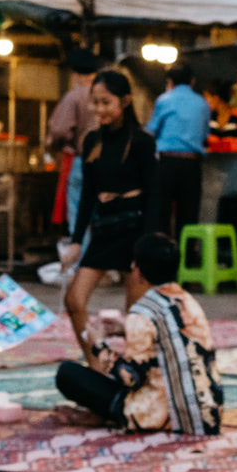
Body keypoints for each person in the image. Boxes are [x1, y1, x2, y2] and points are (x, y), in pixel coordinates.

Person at [54, 232, 220, 434]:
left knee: (68, 373)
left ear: (137, 270)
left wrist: (98, 345)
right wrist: (124, 329)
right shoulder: (190, 302)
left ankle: (107, 416)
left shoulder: (143, 312)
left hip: (157, 416)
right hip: (207, 415)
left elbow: (131, 378)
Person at [66, 70, 158, 362]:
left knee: (136, 313)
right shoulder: (92, 140)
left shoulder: (142, 141)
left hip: (134, 229)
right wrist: (76, 241)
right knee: (74, 300)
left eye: (106, 102)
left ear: (125, 101)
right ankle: (97, 364)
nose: (99, 109)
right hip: (104, 230)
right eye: (95, 102)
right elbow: (87, 195)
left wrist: (146, 247)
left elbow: (154, 196)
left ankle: (136, 369)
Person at [146, 63, 211, 237]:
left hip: (166, 163)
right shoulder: (203, 104)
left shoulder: (164, 100)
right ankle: (187, 252)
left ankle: (162, 251)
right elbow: (205, 135)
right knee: (189, 216)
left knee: (161, 214)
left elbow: (151, 131)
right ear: (192, 81)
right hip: (192, 164)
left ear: (169, 81)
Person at [48, 48, 101, 242]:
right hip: (105, 161)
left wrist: (53, 145)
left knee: (79, 216)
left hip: (80, 160)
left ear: (75, 75)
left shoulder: (74, 96)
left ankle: (81, 257)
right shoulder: (105, 94)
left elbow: (59, 130)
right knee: (99, 216)